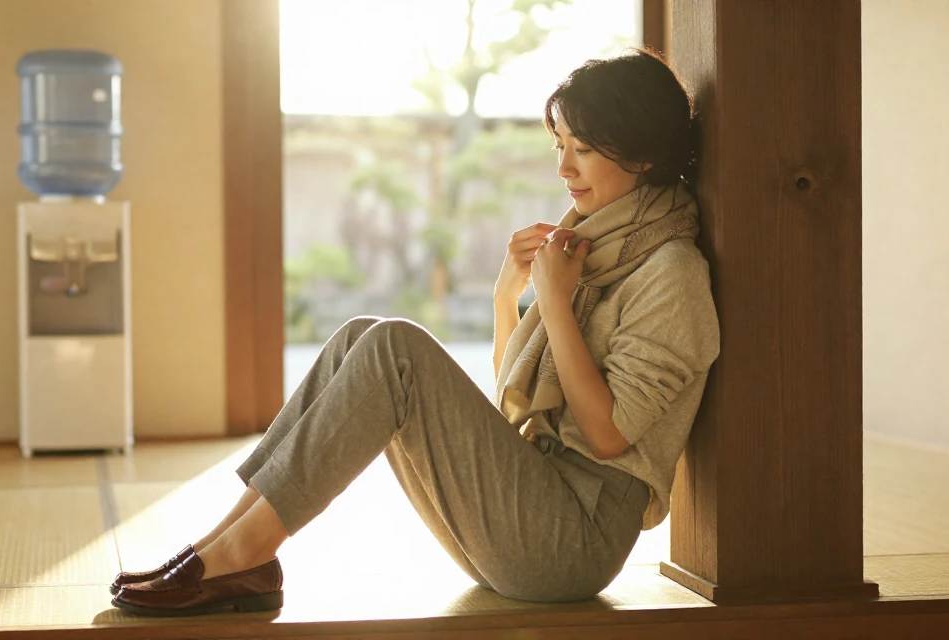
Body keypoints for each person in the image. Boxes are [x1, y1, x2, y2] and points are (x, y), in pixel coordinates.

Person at [109, 47, 720, 617]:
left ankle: (241, 558)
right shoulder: (600, 242)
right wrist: (509, 296)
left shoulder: (672, 272)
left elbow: (609, 437)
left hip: (570, 543)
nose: (563, 168)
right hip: (533, 499)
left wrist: (556, 303)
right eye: (559, 145)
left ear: (641, 156)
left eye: (581, 149)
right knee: (362, 336)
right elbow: (515, 398)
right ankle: (228, 547)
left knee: (395, 348)